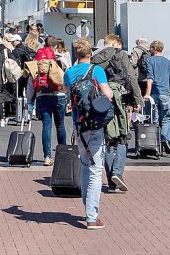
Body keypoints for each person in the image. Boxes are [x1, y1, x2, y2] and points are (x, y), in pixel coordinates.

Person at [63, 39, 114, 230]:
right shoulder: (96, 70)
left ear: (76, 54)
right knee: (95, 170)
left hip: (79, 125)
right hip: (95, 124)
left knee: (85, 165)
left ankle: (88, 209)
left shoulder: (69, 73)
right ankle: (91, 217)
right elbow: (107, 94)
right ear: (90, 54)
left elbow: (67, 92)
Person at [91, 34, 142, 192]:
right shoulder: (121, 55)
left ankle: (112, 183)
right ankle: (117, 173)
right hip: (122, 101)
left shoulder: (95, 57)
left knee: (108, 140)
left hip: (103, 103)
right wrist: (138, 101)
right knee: (121, 137)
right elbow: (131, 77)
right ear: (115, 44)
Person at [34, 36, 67, 166]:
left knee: (46, 126)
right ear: (56, 46)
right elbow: (67, 77)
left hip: (43, 95)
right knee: (60, 124)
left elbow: (33, 79)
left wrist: (31, 99)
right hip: (59, 95)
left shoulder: (38, 59)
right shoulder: (60, 58)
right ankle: (63, 154)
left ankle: (47, 157)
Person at [143, 40, 170, 154]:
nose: (149, 50)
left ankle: (155, 144)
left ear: (154, 48)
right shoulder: (168, 62)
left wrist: (147, 93)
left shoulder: (149, 60)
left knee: (154, 119)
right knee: (166, 119)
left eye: (150, 48)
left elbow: (150, 77)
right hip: (165, 94)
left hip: (153, 94)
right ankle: (165, 138)